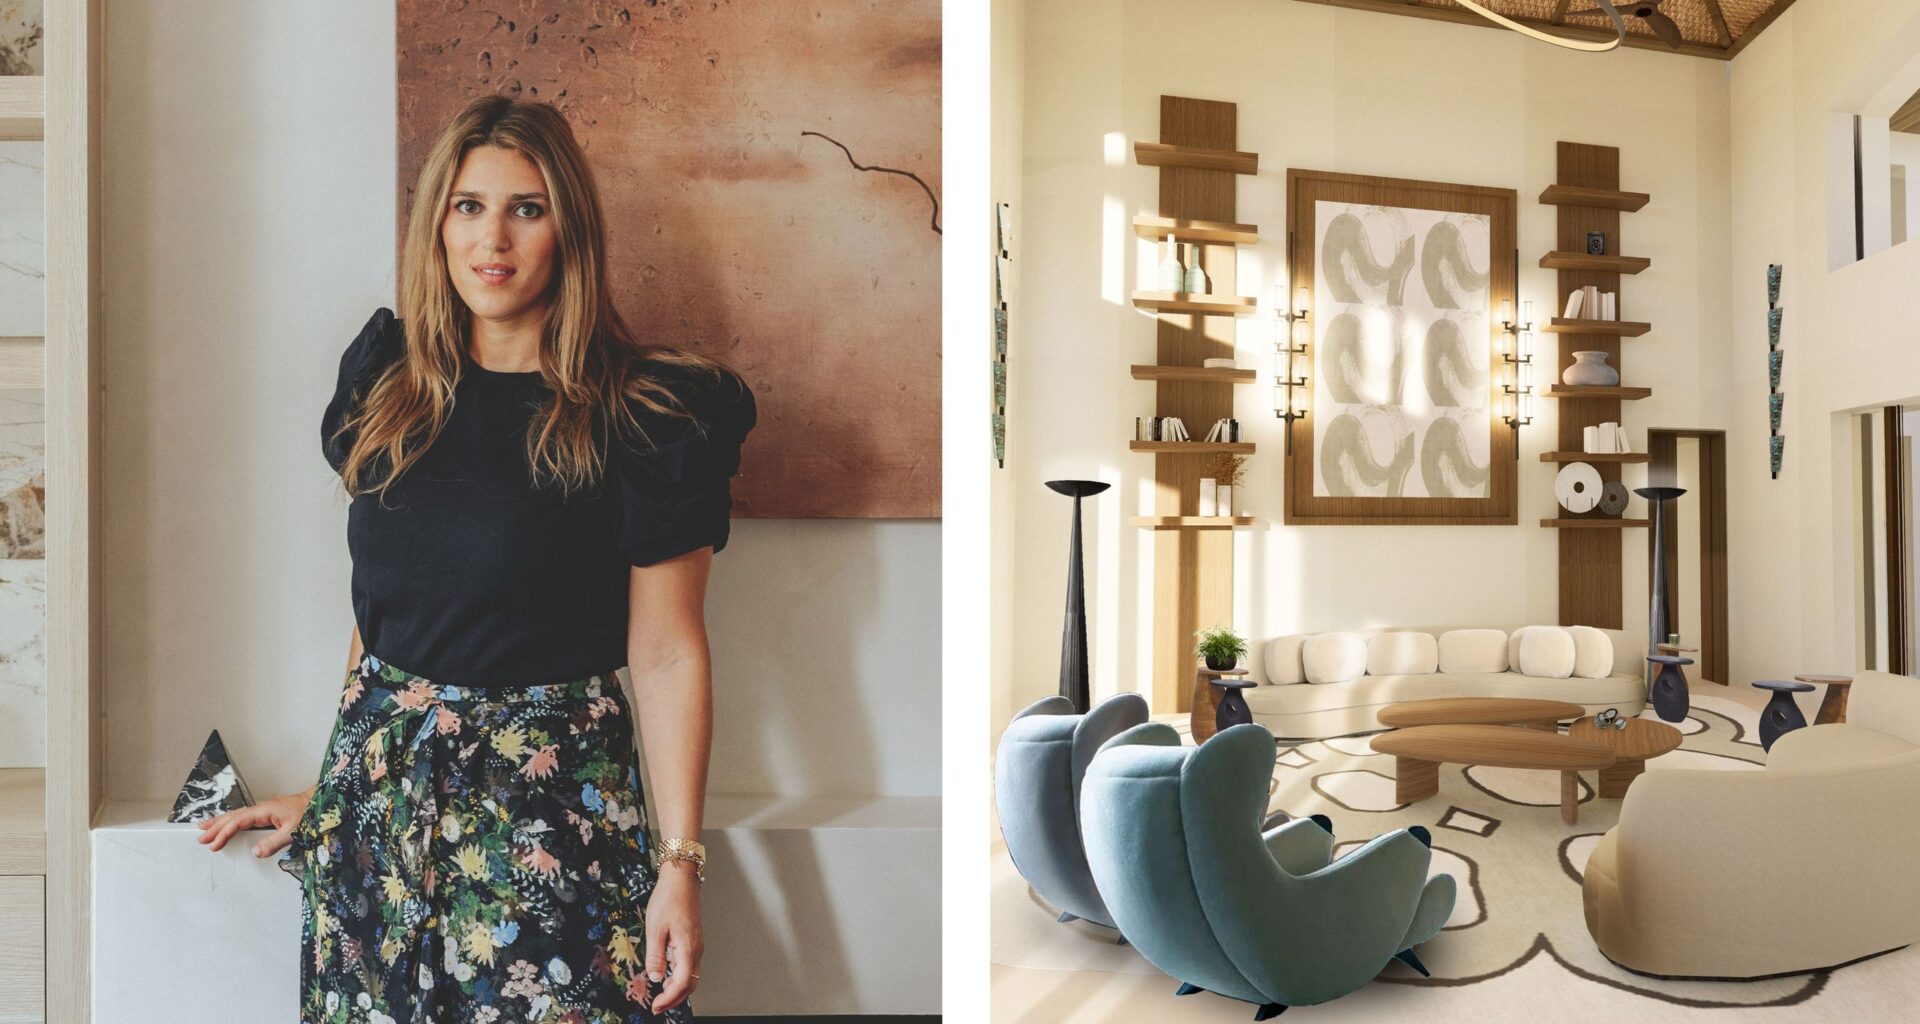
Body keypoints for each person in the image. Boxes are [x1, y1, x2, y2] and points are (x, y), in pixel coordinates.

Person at [191, 93, 756, 1023]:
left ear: (567, 229)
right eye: (468, 206)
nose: (493, 238)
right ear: (437, 226)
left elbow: (666, 653)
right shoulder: (388, 386)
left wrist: (680, 865)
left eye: (526, 208)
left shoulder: (646, 418)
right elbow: (380, 623)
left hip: (552, 821)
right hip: (377, 817)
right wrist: (333, 786)